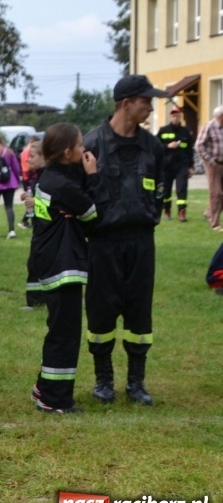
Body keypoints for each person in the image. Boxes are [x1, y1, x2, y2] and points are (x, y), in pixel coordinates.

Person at [82, 74, 168, 406]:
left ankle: (136, 382)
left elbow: (159, 192)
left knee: (139, 314)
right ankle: (104, 379)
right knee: (101, 313)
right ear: (125, 104)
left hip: (141, 242)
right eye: (145, 101)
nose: (150, 106)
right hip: (103, 244)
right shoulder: (92, 144)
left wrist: (150, 217)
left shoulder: (154, 147)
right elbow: (82, 196)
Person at [28, 124, 100, 414]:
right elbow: (95, 216)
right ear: (68, 152)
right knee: (65, 333)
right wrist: (94, 176)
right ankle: (54, 399)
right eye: (81, 146)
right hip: (62, 265)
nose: (85, 151)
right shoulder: (64, 186)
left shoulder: (52, 178)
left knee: (58, 328)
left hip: (50, 260)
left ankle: (45, 387)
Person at [157, 107, 195, 222]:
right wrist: (168, 146)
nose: (175, 118)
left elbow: (190, 150)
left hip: (181, 165)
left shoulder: (185, 132)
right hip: (167, 165)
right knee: (166, 190)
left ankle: (182, 212)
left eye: (177, 116)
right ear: (170, 117)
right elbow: (156, 147)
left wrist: (191, 165)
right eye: (173, 116)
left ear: (180, 117)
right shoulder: (163, 130)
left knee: (181, 189)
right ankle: (167, 210)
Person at [21, 141, 47, 309]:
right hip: (39, 228)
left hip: (45, 230)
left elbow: (53, 205)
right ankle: (36, 301)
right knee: (34, 263)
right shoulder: (38, 176)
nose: (28, 159)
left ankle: (37, 301)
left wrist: (35, 202)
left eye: (32, 156)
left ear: (44, 158)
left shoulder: (47, 178)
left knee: (37, 263)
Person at [194, 105, 223, 232]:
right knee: (216, 194)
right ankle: (215, 224)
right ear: (220, 116)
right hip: (213, 164)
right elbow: (199, 145)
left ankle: (209, 212)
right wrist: (209, 160)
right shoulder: (209, 126)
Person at [17, 133, 42, 229]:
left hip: (26, 177)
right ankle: (26, 221)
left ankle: (29, 220)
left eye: (32, 157)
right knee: (31, 201)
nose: (30, 159)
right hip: (30, 176)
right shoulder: (29, 150)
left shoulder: (23, 151)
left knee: (31, 200)